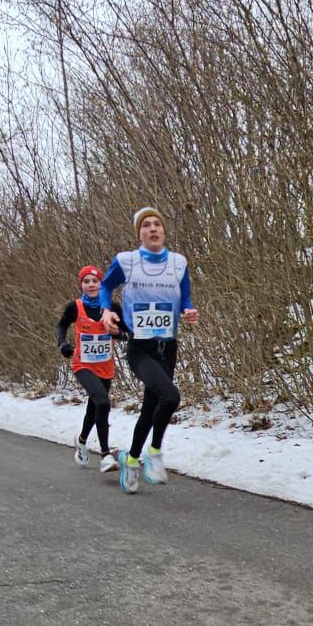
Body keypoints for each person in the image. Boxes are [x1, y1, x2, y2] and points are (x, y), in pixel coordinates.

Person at [99, 206, 198, 493]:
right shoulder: (127, 261)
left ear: (163, 231)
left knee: (150, 408)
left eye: (157, 224)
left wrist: (189, 311)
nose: (153, 228)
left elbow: (185, 297)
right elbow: (105, 287)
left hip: (168, 347)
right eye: (146, 225)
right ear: (139, 233)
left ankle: (130, 460)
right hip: (140, 348)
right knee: (171, 396)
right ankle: (154, 453)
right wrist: (106, 311)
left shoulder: (178, 263)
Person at [56, 265, 122, 472]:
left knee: (95, 407)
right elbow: (61, 326)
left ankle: (82, 440)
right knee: (102, 402)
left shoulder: (112, 307)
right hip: (82, 364)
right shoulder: (75, 307)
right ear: (81, 285)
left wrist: (119, 333)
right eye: (87, 281)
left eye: (95, 281)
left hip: (105, 366)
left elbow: (124, 331)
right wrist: (62, 344)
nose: (91, 285)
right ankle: (105, 455)